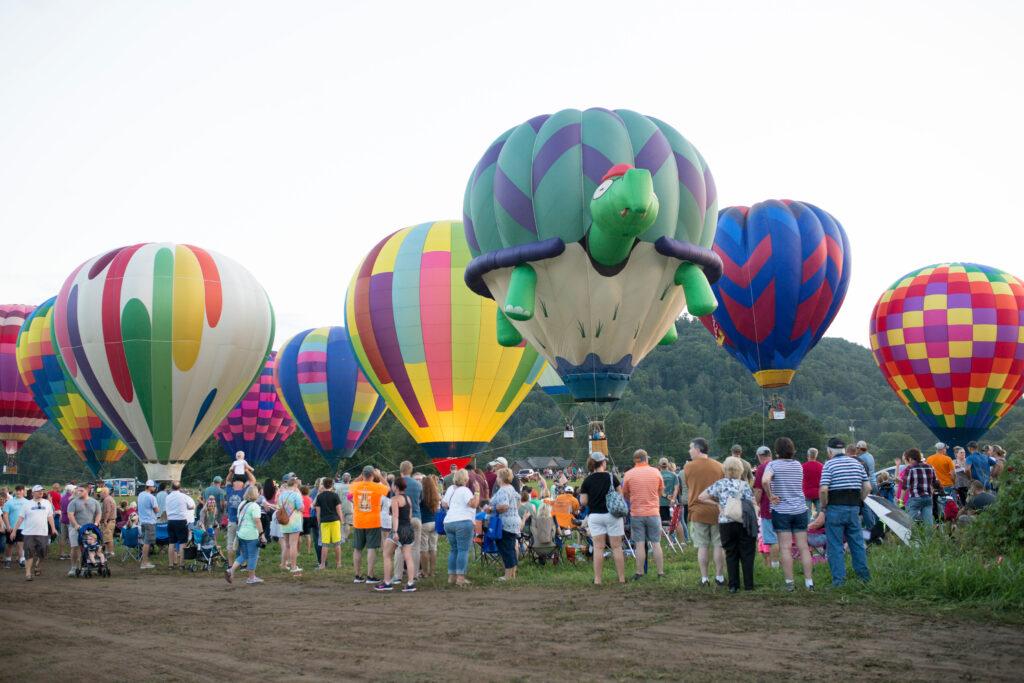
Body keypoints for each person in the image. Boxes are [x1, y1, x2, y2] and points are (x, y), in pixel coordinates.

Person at [762, 437, 814, 591]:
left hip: (782, 510)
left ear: (777, 451)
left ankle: (790, 583)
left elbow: (765, 481)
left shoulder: (772, 465)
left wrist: (770, 495)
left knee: (785, 548)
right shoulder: (798, 465)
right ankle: (809, 582)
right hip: (800, 510)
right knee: (803, 547)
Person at [699, 456, 755, 593]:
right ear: (740, 470)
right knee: (747, 553)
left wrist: (717, 504)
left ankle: (733, 585)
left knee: (731, 553)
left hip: (725, 522)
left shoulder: (720, 484)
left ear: (725, 469)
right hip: (743, 521)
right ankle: (748, 585)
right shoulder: (745, 485)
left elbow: (701, 497)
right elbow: (751, 503)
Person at [820, 442, 871, 586]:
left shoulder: (829, 465)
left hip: (835, 508)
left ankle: (839, 581)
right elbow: (867, 487)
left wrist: (824, 506)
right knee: (857, 543)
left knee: (835, 545)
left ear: (830, 451)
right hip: (853, 507)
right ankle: (864, 578)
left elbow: (824, 490)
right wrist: (859, 501)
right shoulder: (857, 464)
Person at [684, 438, 726, 586]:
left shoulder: (688, 467)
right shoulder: (720, 467)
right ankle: (719, 577)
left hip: (698, 510)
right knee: (718, 545)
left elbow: (688, 485)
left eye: (690, 448)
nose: (689, 451)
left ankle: (704, 578)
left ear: (698, 449)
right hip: (717, 510)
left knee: (702, 546)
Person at [579, 452, 625, 584]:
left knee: (598, 548)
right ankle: (621, 578)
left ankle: (597, 579)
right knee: (616, 547)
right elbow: (620, 495)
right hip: (612, 515)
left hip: (595, 516)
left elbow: (583, 501)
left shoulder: (587, 480)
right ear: (603, 463)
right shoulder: (611, 477)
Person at [621, 449, 665, 580]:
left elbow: (625, 494)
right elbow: (660, 492)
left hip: (636, 513)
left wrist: (634, 500)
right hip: (653, 512)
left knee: (639, 544)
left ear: (635, 460)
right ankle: (660, 572)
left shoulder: (628, 474)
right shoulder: (656, 472)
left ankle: (639, 572)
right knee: (656, 543)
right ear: (646, 459)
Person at [376, 476, 417, 592]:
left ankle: (387, 582)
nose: (392, 486)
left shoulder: (395, 499)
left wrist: (394, 531)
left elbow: (395, 516)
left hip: (399, 530)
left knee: (386, 554)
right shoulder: (408, 498)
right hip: (409, 529)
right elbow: (409, 516)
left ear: (396, 487)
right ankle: (410, 583)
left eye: (393, 485)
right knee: (408, 557)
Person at [350, 465, 389, 584]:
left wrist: (360, 476)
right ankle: (370, 576)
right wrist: (380, 476)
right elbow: (388, 487)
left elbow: (351, 483)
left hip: (358, 521)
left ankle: (357, 575)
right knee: (371, 548)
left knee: (357, 549)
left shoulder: (356, 486)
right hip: (373, 521)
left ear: (362, 475)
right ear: (373, 475)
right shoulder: (377, 487)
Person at [441, 468, 480, 587]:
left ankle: (451, 577)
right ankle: (460, 578)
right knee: (463, 550)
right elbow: (473, 504)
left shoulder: (451, 489)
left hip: (449, 522)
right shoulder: (465, 490)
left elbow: (444, 504)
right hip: (463, 521)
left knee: (454, 549)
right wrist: (477, 492)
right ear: (465, 479)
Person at [11, 485, 56, 581]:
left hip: (43, 533)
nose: (41, 492)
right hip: (29, 533)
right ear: (33, 493)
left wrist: (53, 528)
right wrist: (14, 531)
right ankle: (28, 573)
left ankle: (37, 565)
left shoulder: (47, 503)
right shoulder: (27, 504)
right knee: (29, 553)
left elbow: (50, 517)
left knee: (43, 553)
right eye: (38, 491)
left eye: (42, 491)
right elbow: (20, 519)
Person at [486, 467, 521, 582]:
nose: (496, 478)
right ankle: (512, 574)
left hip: (504, 524)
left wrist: (491, 509)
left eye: (497, 476)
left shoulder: (502, 490)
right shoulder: (511, 488)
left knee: (505, 550)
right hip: (514, 522)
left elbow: (504, 506)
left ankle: (507, 576)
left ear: (501, 478)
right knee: (510, 549)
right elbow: (518, 499)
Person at [226, 485, 265, 585]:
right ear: (256, 494)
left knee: (245, 555)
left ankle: (231, 570)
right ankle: (251, 578)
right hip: (251, 534)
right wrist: (262, 534)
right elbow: (257, 521)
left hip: (241, 533)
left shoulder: (242, 504)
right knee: (253, 556)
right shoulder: (255, 506)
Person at [392, 461, 423, 584]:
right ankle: (414, 574)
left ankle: (397, 576)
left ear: (400, 469)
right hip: (416, 517)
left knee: (399, 548)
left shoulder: (396, 483)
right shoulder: (418, 484)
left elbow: (393, 500)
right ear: (411, 470)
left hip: (401, 519)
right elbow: (421, 500)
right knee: (415, 548)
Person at [752, 445, 779, 569]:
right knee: (782, 538)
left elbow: (758, 490)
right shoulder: (778, 465)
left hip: (768, 507)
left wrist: (756, 503)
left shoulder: (762, 468)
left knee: (772, 540)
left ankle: (774, 567)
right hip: (783, 507)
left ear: (759, 456)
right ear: (770, 455)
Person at [66, 485, 101, 576]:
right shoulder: (73, 502)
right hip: (75, 529)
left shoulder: (95, 502)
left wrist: (96, 523)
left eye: (81, 490)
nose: (79, 492)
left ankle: (86, 567)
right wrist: (76, 526)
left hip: (89, 529)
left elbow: (98, 513)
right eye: (78, 490)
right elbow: (70, 515)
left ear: (87, 490)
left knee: (88, 548)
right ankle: (73, 568)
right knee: (75, 548)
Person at [164, 482, 195, 569]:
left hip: (170, 521)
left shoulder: (168, 497)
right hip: (181, 521)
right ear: (179, 487)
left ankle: (170, 564)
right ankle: (181, 564)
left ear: (171, 487)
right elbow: (191, 506)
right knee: (182, 543)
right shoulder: (183, 496)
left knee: (171, 542)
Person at [277, 473, 303, 574]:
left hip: (284, 522)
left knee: (286, 545)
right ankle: (293, 567)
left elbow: (279, 507)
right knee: (293, 545)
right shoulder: (296, 494)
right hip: (294, 522)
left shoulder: (281, 495)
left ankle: (283, 564)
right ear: (295, 484)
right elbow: (301, 508)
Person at [902, 448, 937, 525]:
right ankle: (929, 537)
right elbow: (934, 483)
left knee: (907, 521)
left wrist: (900, 500)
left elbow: (905, 486)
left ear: (910, 459)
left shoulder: (910, 468)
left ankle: (908, 536)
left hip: (915, 498)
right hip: (928, 498)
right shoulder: (930, 467)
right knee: (928, 523)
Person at [2, 484, 30, 569]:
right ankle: (8, 560)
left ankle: (21, 560)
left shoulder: (27, 502)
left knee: (20, 544)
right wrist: (7, 525)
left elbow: (29, 515)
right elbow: (5, 515)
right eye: (17, 490)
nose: (18, 492)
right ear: (15, 491)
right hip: (11, 527)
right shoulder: (10, 502)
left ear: (23, 491)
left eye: (20, 490)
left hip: (23, 527)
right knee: (9, 544)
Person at [419, 474, 441, 578]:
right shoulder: (436, 494)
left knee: (424, 548)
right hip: (434, 523)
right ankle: (432, 572)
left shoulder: (422, 495)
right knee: (433, 548)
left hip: (424, 523)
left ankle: (425, 572)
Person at [136, 480, 160, 569]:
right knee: (147, 543)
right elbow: (156, 510)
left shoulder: (140, 495)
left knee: (145, 542)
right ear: (149, 487)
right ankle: (144, 563)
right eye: (154, 486)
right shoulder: (151, 497)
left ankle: (145, 561)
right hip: (150, 522)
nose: (155, 488)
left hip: (142, 521)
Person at [658, 457, 680, 525]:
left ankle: (663, 535)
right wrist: (673, 499)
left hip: (660, 502)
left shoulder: (657, 475)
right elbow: (676, 489)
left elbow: (657, 489)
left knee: (660, 523)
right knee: (673, 523)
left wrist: (665, 495)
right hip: (671, 503)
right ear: (667, 465)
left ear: (659, 465)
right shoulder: (674, 475)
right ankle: (671, 535)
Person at [802, 448, 823, 515]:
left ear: (808, 455)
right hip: (818, 493)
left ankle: (808, 525)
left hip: (806, 493)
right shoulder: (821, 466)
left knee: (807, 514)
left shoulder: (803, 466)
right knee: (820, 514)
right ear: (816, 455)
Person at [98, 487, 117, 556]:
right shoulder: (110, 498)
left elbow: (107, 511)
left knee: (108, 538)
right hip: (111, 521)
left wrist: (105, 520)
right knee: (108, 537)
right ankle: (108, 551)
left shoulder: (106, 500)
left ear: (104, 493)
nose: (100, 494)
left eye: (101, 493)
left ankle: (110, 552)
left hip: (109, 521)